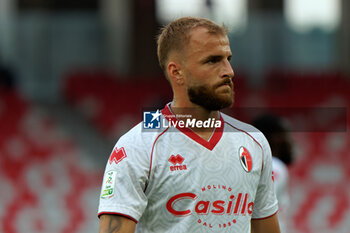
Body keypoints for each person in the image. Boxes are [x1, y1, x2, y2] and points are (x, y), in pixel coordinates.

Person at [98, 16, 281, 233]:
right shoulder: (137, 144)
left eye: (228, 59)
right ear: (177, 72)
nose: (228, 71)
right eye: (212, 60)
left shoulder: (254, 141)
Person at [252, 114, 294, 233]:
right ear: (276, 138)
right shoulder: (275, 166)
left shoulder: (257, 164)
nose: (290, 141)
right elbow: (259, 205)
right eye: (285, 134)